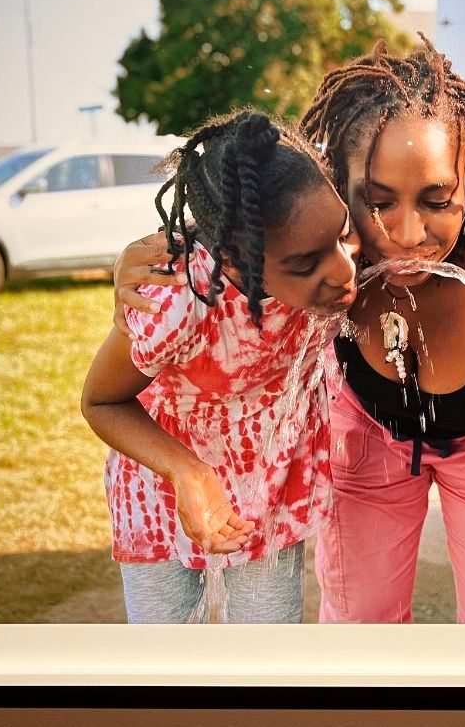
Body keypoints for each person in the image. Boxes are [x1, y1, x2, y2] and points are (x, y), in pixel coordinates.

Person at [114, 38, 465, 623]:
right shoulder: (327, 247)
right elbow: (239, 229)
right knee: (358, 630)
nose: (407, 233)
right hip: (364, 433)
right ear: (338, 189)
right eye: (377, 202)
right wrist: (135, 263)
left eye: (438, 199)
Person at [81, 109, 360, 623]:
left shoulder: (319, 244)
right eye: (306, 263)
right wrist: (188, 471)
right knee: (167, 666)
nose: (344, 271)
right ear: (233, 260)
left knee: (267, 663)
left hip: (265, 494)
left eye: (343, 236)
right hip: (163, 496)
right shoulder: (178, 299)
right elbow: (100, 400)